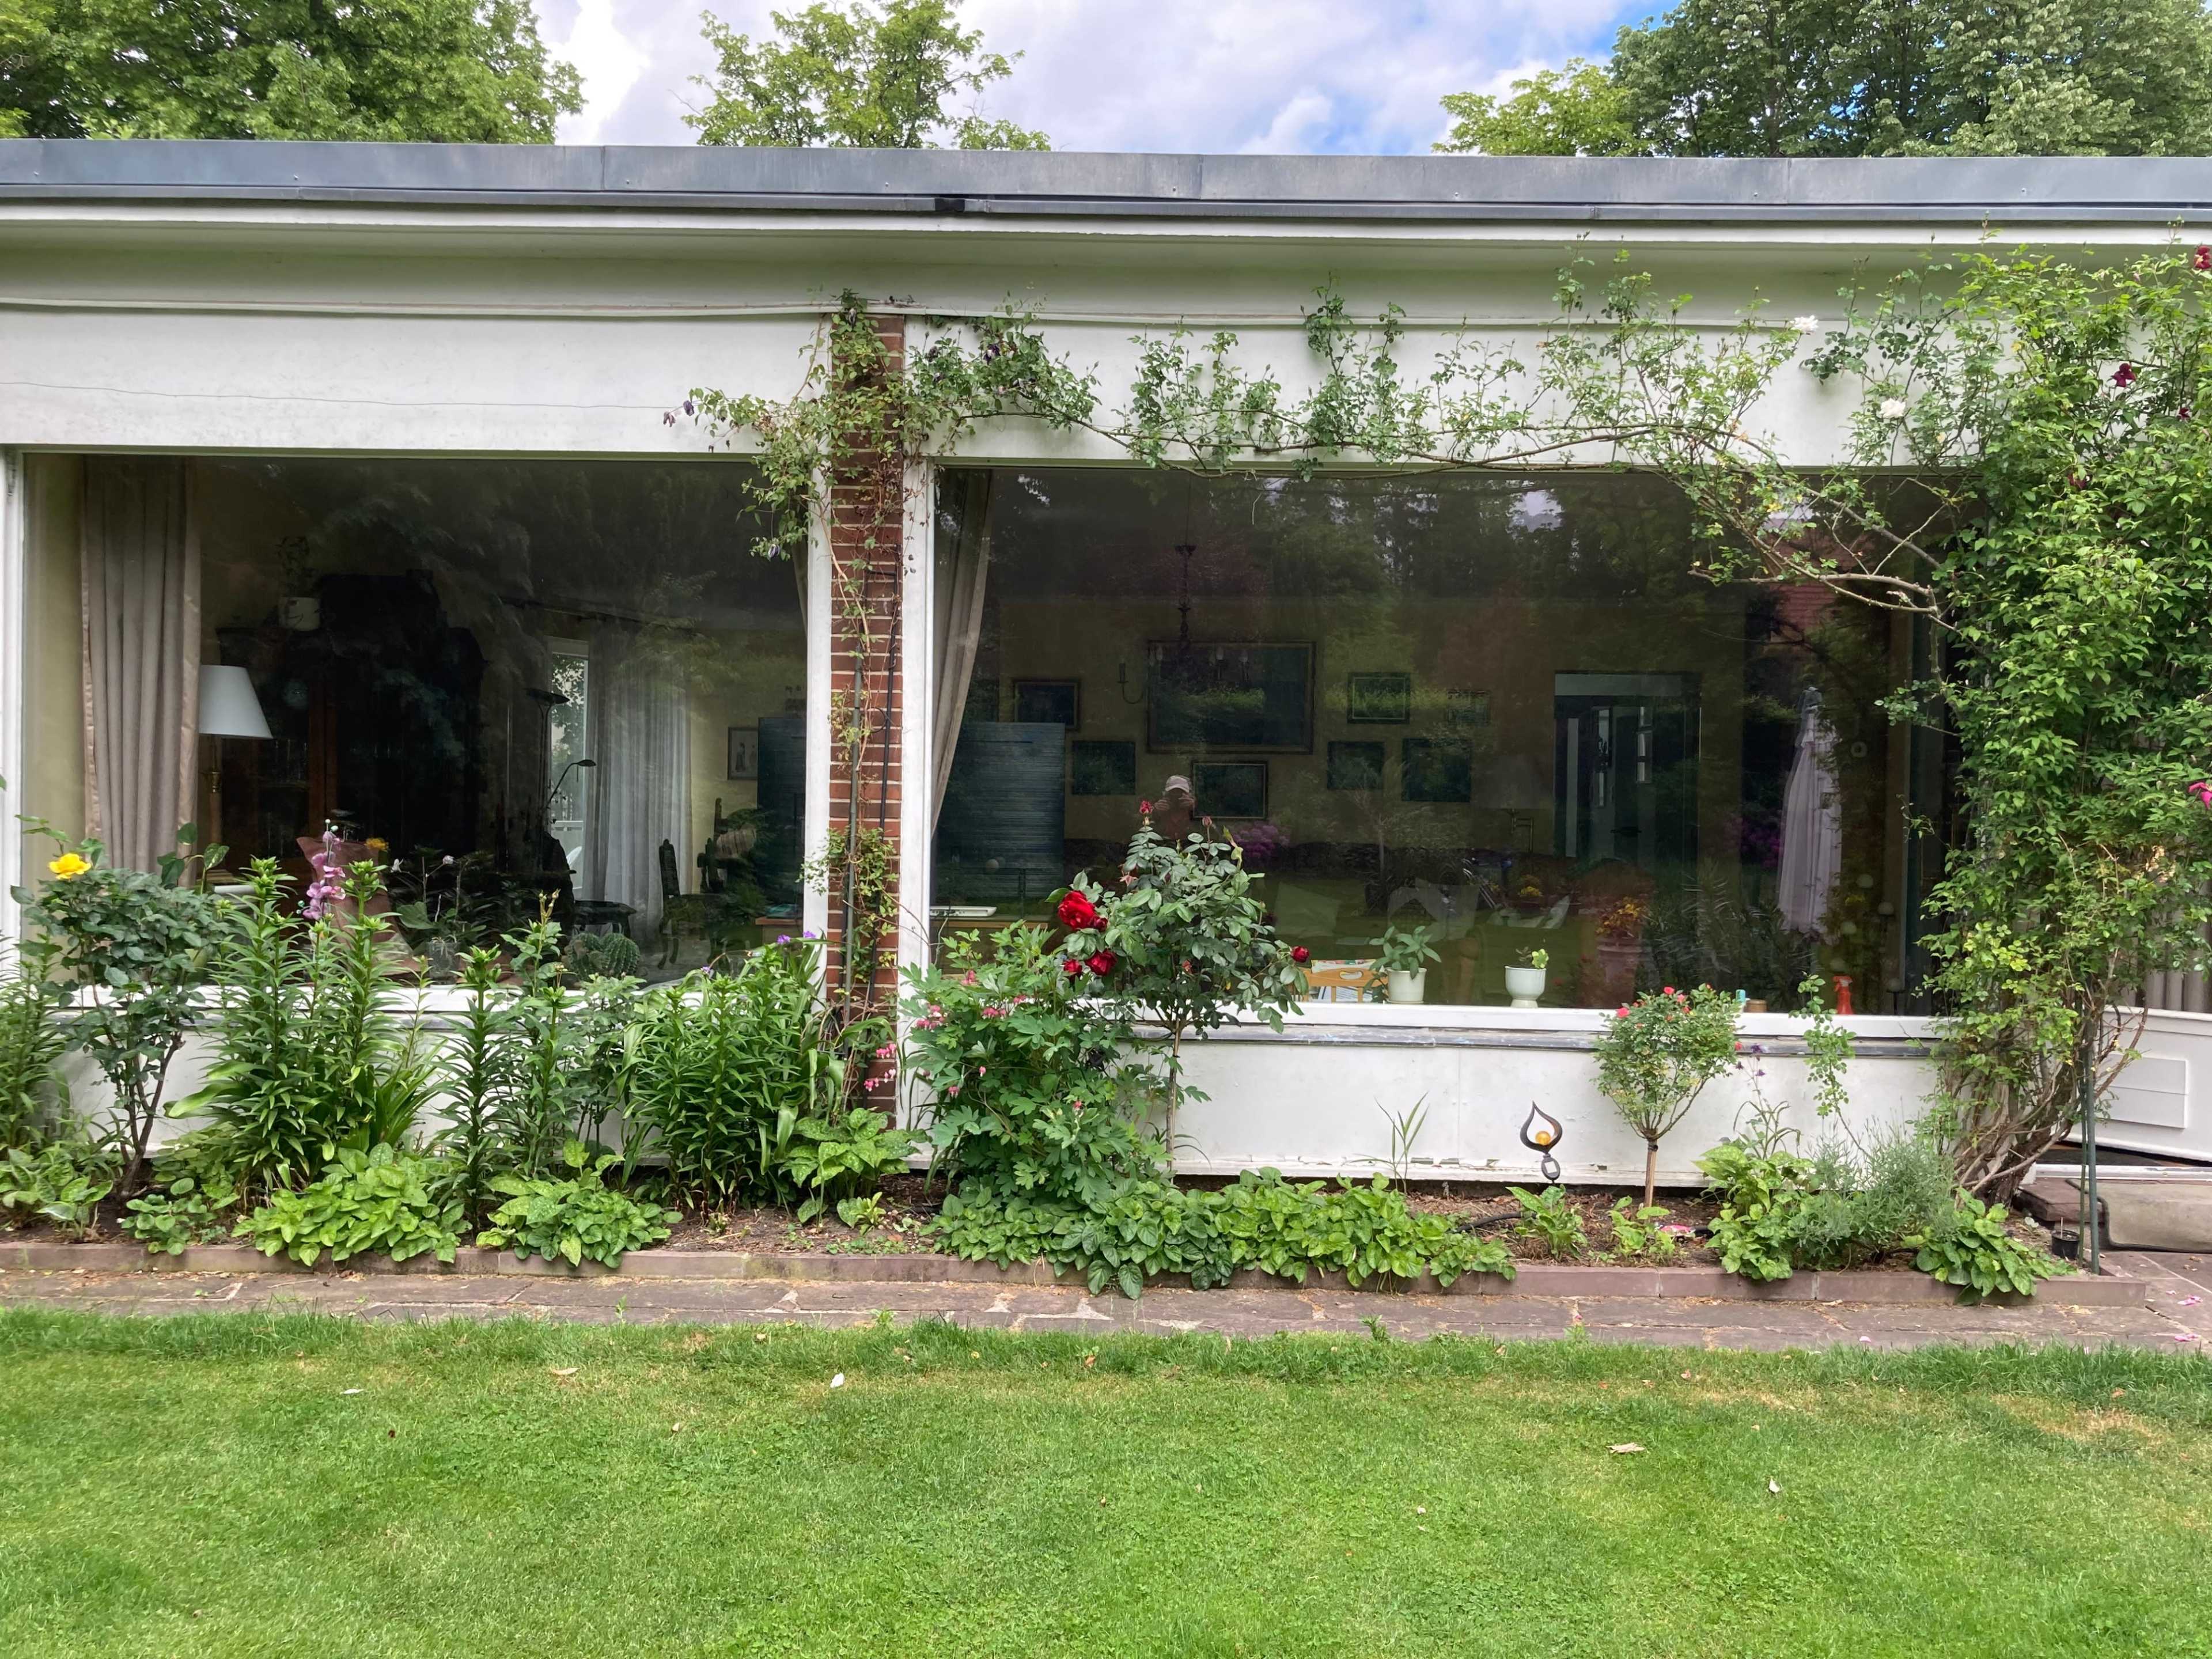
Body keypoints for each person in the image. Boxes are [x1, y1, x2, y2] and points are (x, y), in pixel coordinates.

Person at [1151, 774, 1196, 842]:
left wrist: (1194, 810)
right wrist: (1155, 813)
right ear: (1165, 795)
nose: (1176, 797)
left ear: (1189, 795)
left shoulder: (1195, 811)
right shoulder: (1159, 809)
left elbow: (1212, 835)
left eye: (1181, 793)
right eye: (1173, 793)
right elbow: (1144, 833)